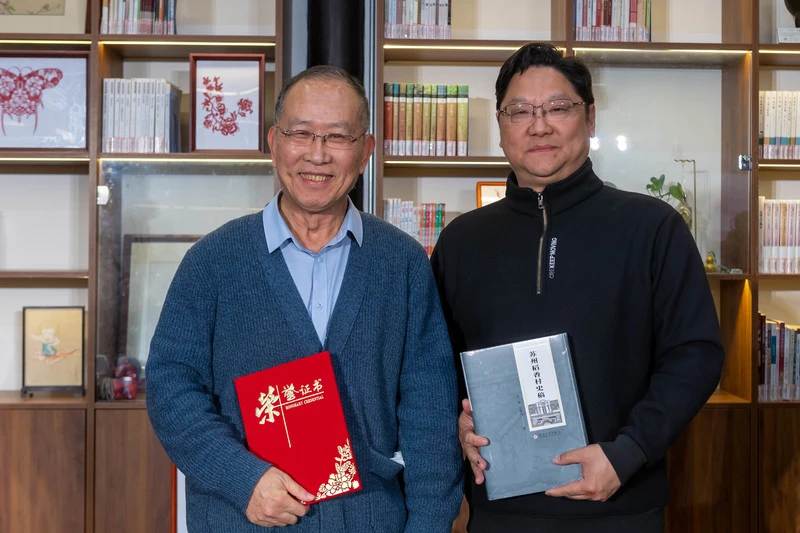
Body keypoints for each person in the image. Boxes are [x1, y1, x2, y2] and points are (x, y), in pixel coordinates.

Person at [147, 65, 463, 532]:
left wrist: (428, 525)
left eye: (338, 136)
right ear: (274, 143)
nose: (317, 154)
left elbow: (430, 411)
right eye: (300, 134)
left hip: (369, 520)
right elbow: (171, 386)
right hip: (245, 519)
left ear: (366, 151)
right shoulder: (212, 261)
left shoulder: (402, 263)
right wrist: (243, 479)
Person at [431, 43, 724, 533]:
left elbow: (696, 355)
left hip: (621, 506)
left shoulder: (651, 228)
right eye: (520, 111)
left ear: (589, 118)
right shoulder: (462, 241)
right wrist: (456, 425)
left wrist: (628, 452)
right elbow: (436, 364)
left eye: (557, 108)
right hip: (500, 510)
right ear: (501, 127)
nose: (539, 126)